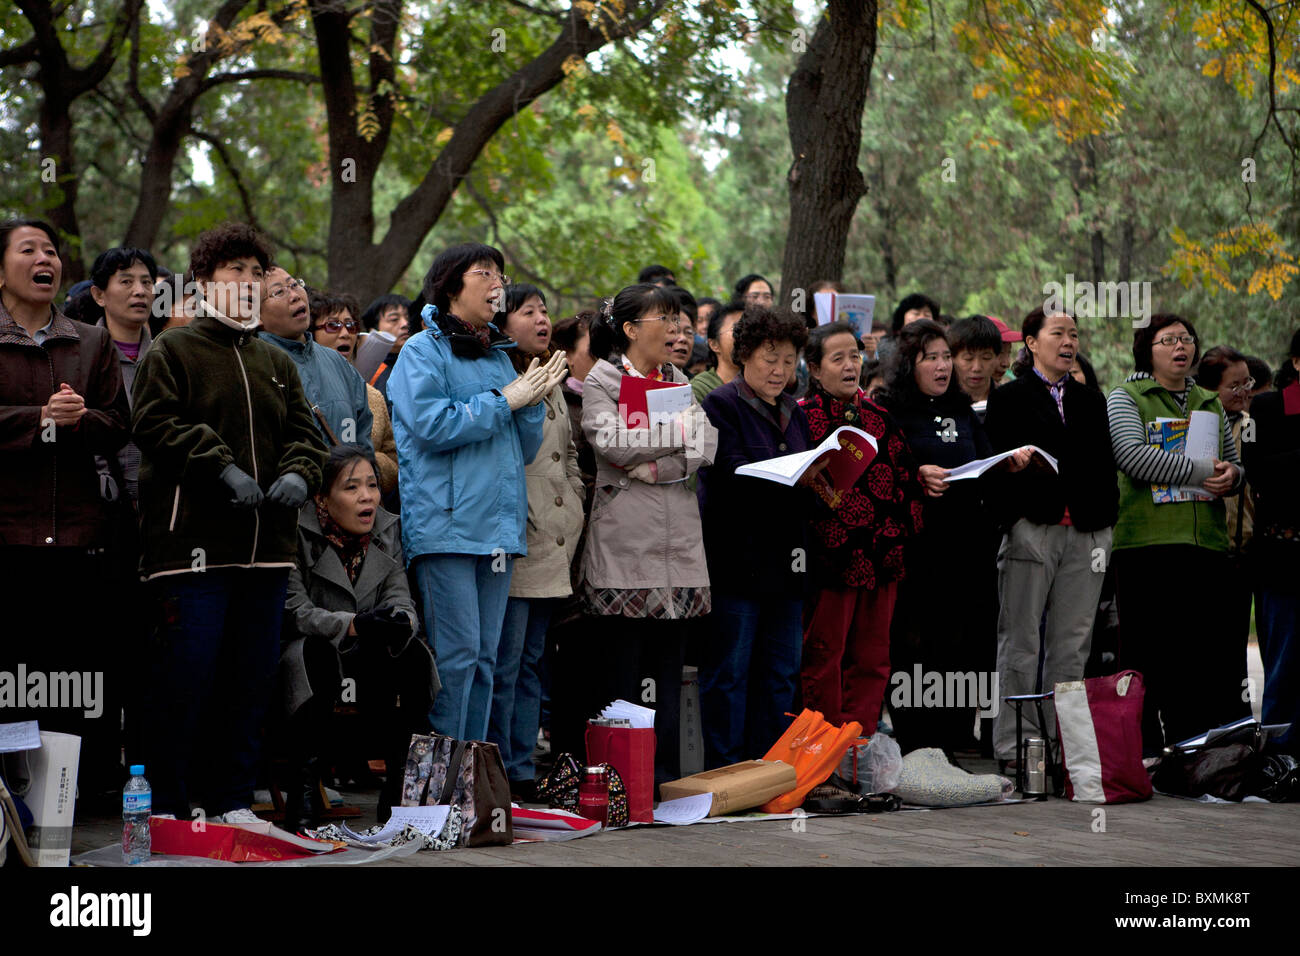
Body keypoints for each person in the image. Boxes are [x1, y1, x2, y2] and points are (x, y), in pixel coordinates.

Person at [132, 222, 329, 822]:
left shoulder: (274, 358)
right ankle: (164, 806)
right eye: (233, 272)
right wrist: (220, 467)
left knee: (249, 684)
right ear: (203, 283)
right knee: (185, 681)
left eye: (254, 271)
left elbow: (306, 434)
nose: (247, 282)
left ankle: (232, 802)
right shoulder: (174, 348)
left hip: (266, 552)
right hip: (191, 551)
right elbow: (154, 422)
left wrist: (299, 472)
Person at [389, 243, 566, 742]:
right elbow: (430, 426)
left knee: (487, 659)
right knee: (458, 656)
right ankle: (439, 785)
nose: (498, 283)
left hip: (497, 530)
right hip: (447, 526)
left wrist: (531, 401)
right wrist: (504, 400)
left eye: (501, 275)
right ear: (450, 286)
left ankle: (470, 778)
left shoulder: (498, 355)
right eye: (484, 272)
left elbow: (523, 448)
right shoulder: (422, 351)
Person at [0, 219, 131, 795]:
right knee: (11, 681)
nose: (42, 258)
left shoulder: (91, 341)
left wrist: (79, 420)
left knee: (71, 682)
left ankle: (61, 814)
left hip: (78, 542)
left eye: (50, 250)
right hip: (6, 540)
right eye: (27, 249)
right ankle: (11, 814)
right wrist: (38, 421)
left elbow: (118, 425)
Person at [575, 283, 717, 786]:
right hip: (624, 546)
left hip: (678, 547)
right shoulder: (603, 380)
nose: (676, 330)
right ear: (632, 329)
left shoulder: (678, 378)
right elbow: (611, 443)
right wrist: (674, 436)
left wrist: (654, 461)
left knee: (667, 674)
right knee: (623, 674)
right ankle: (619, 784)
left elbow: (706, 444)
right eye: (664, 320)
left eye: (678, 320)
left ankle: (663, 781)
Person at [880, 319, 1028, 755]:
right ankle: (915, 737)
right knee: (914, 641)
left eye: (947, 356)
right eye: (932, 358)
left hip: (967, 545)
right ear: (911, 363)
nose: (944, 366)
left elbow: (982, 460)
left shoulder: (962, 410)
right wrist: (915, 475)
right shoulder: (891, 410)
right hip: (916, 546)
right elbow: (880, 472)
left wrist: (1006, 465)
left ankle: (956, 735)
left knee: (962, 640)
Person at [1107, 314, 1249, 755]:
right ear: (1147, 351)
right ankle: (1145, 751)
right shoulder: (1125, 396)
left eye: (1185, 339)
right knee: (1146, 654)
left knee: (1195, 657)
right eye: (1167, 341)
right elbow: (1133, 457)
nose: (1179, 348)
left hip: (1203, 545)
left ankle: (1191, 751)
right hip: (1146, 546)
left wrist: (1234, 475)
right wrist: (1208, 472)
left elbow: (1233, 464)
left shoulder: (1208, 400)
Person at [983, 309, 1118, 771]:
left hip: (1086, 531)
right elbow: (994, 469)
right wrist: (1015, 515)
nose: (1068, 341)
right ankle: (1017, 747)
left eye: (1074, 334)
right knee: (1020, 641)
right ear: (1031, 342)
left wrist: (1105, 526)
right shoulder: (1008, 398)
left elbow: (1104, 466)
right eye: (1058, 333)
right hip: (1032, 529)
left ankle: (1061, 749)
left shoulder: (1091, 399)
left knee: (1072, 645)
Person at [279, 445, 435, 828]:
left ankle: (399, 794)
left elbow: (401, 596)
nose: (367, 496)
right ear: (322, 497)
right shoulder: (295, 531)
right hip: (312, 650)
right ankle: (303, 796)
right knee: (315, 655)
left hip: (367, 651)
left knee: (412, 654)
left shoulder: (387, 528)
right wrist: (352, 624)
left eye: (372, 485)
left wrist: (399, 622)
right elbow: (295, 610)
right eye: (351, 488)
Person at [697, 307, 812, 766]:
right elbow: (723, 472)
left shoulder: (793, 410)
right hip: (737, 561)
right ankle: (726, 771)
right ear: (743, 355)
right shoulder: (721, 404)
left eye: (787, 360)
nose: (779, 370)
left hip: (788, 565)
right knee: (729, 672)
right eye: (769, 359)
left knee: (781, 673)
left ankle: (770, 772)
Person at [798, 321, 925, 734]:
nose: (851, 365)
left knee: (873, 658)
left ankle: (860, 748)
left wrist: (904, 543)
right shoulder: (802, 421)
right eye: (838, 358)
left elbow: (907, 483)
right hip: (828, 560)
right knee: (825, 655)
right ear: (814, 369)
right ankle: (823, 753)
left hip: (882, 556)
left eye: (855, 355)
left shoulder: (880, 418)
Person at [487, 285, 586, 799]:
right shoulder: (500, 374)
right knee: (505, 661)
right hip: (514, 532)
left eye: (545, 310)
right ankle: (497, 764)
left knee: (530, 662)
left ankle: (523, 767)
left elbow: (567, 455)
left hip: (555, 537)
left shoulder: (552, 374)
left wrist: (575, 500)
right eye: (529, 311)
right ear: (504, 324)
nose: (542, 319)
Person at [1241, 329, 1300, 755]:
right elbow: (1257, 471)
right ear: (1296, 362)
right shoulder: (1267, 406)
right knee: (1284, 661)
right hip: (1284, 555)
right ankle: (1278, 757)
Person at [259, 270, 373, 454]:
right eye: (279, 292)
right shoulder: (254, 366)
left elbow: (361, 438)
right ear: (256, 316)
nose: (295, 296)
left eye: (295, 285)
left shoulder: (339, 364)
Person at [1196, 345, 1257, 661]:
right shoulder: (1198, 425)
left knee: (1234, 648)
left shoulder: (1254, 424)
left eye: (1247, 382)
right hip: (1203, 548)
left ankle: (1237, 711)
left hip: (1243, 549)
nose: (1244, 391)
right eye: (1234, 386)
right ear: (1208, 389)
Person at [311, 290, 398, 497]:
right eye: (333, 325)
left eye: (350, 325)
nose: (345, 334)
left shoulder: (373, 396)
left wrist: (364, 466)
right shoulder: (300, 386)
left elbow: (394, 459)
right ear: (310, 333)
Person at [948, 315, 1003, 422]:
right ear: (952, 358)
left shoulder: (1009, 402)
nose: (977, 368)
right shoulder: (941, 403)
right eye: (968, 358)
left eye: (986, 358)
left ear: (997, 358)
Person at [690, 299, 744, 404]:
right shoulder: (700, 389)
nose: (746, 335)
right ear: (714, 344)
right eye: (737, 329)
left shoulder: (764, 385)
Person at [359, 293, 412, 398]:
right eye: (394, 319)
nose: (405, 324)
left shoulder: (420, 362)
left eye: (408, 318)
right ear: (373, 330)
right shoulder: (366, 372)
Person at [876, 292, 940, 363]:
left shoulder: (939, 345)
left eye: (927, 315)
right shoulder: (887, 344)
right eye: (916, 314)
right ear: (902, 317)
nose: (922, 318)